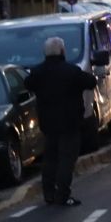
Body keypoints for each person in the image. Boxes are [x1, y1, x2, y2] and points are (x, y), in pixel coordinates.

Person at [24, 37, 96, 206]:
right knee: (66, 159)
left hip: (48, 124)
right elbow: (90, 82)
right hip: (70, 122)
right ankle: (62, 193)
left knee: (50, 158)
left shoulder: (38, 72)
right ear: (63, 51)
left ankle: (49, 192)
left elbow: (27, 84)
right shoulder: (71, 71)